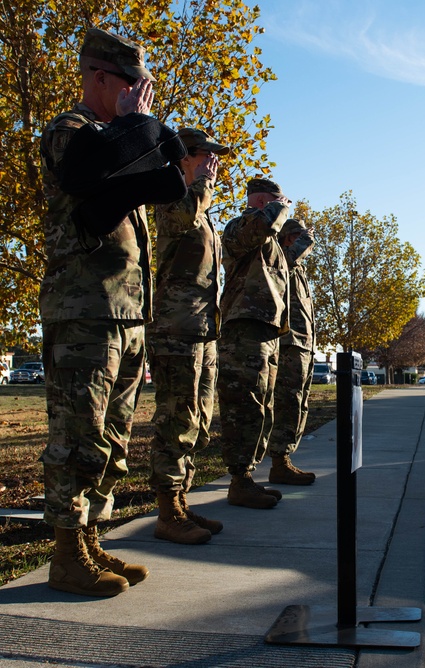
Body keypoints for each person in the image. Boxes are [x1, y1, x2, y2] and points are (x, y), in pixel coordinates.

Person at [38, 28, 162, 597]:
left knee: (110, 439)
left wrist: (142, 134)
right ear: (98, 77)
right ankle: (66, 555)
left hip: (124, 312)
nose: (141, 97)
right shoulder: (71, 131)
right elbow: (87, 175)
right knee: (78, 435)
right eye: (133, 86)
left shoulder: (114, 136)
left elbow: (155, 183)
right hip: (84, 309)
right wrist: (135, 125)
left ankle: (88, 539)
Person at [147, 128, 230, 544]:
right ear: (183, 158)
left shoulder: (202, 203)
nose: (213, 163)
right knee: (176, 419)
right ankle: (166, 512)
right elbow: (180, 219)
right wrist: (201, 185)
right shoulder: (171, 194)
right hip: (175, 328)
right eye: (204, 156)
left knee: (197, 421)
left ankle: (181, 503)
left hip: (202, 328)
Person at [217, 177, 291, 509]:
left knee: (262, 407)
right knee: (244, 406)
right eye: (280, 202)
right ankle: (239, 479)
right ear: (263, 202)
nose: (286, 209)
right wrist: (280, 208)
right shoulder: (241, 227)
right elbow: (263, 226)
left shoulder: (268, 238)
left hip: (265, 329)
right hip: (243, 328)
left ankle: (248, 477)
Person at [267, 218, 317, 485]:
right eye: (295, 236)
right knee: (288, 402)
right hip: (289, 344)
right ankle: (279, 461)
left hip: (304, 345)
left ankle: (284, 459)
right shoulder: (282, 258)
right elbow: (286, 257)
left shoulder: (298, 269)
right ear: (287, 238)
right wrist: (305, 239)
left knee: (300, 403)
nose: (301, 240)